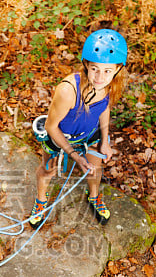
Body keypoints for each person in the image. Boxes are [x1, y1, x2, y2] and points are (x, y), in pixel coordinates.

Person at [28, 28, 128, 227]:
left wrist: (105, 140)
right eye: (94, 69)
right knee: (48, 170)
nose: (100, 77)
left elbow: (104, 107)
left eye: (107, 70)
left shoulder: (109, 84)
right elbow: (51, 126)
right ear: (86, 65)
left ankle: (94, 196)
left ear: (117, 69)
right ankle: (41, 202)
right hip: (59, 134)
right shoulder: (68, 90)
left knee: (95, 168)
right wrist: (74, 155)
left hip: (89, 133)